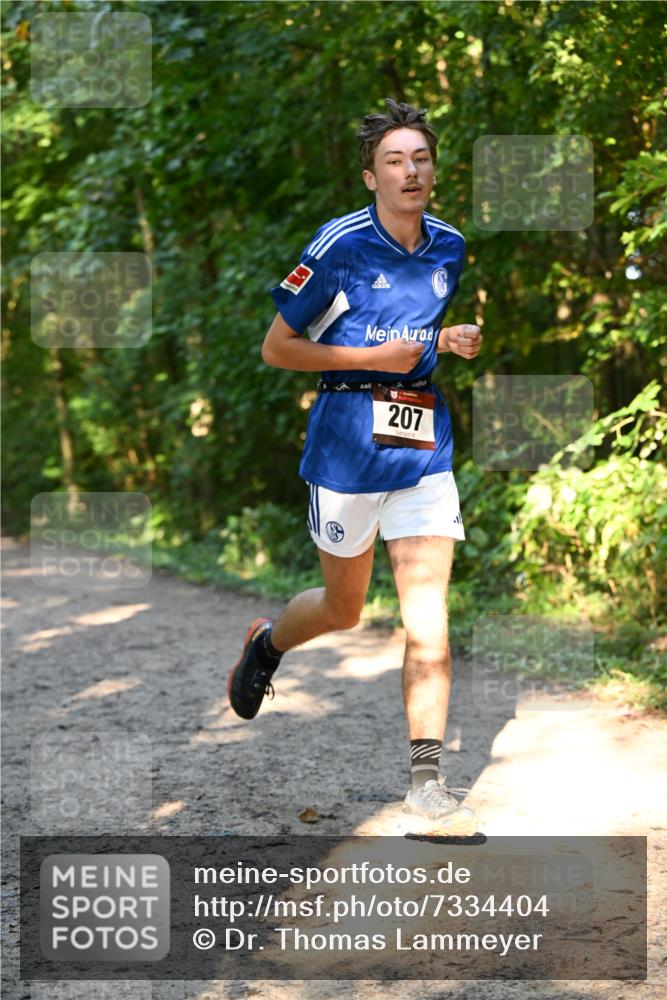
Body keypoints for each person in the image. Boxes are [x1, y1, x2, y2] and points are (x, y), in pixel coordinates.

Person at [227, 98, 482, 834]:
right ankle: (266, 643)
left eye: (421, 158)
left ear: (434, 170)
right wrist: (373, 359)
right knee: (344, 609)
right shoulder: (339, 245)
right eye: (395, 161)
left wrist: (446, 342)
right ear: (372, 177)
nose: (410, 171)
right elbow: (277, 348)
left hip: (422, 448)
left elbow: (414, 335)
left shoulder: (449, 246)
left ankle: (427, 784)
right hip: (345, 446)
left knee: (427, 617)